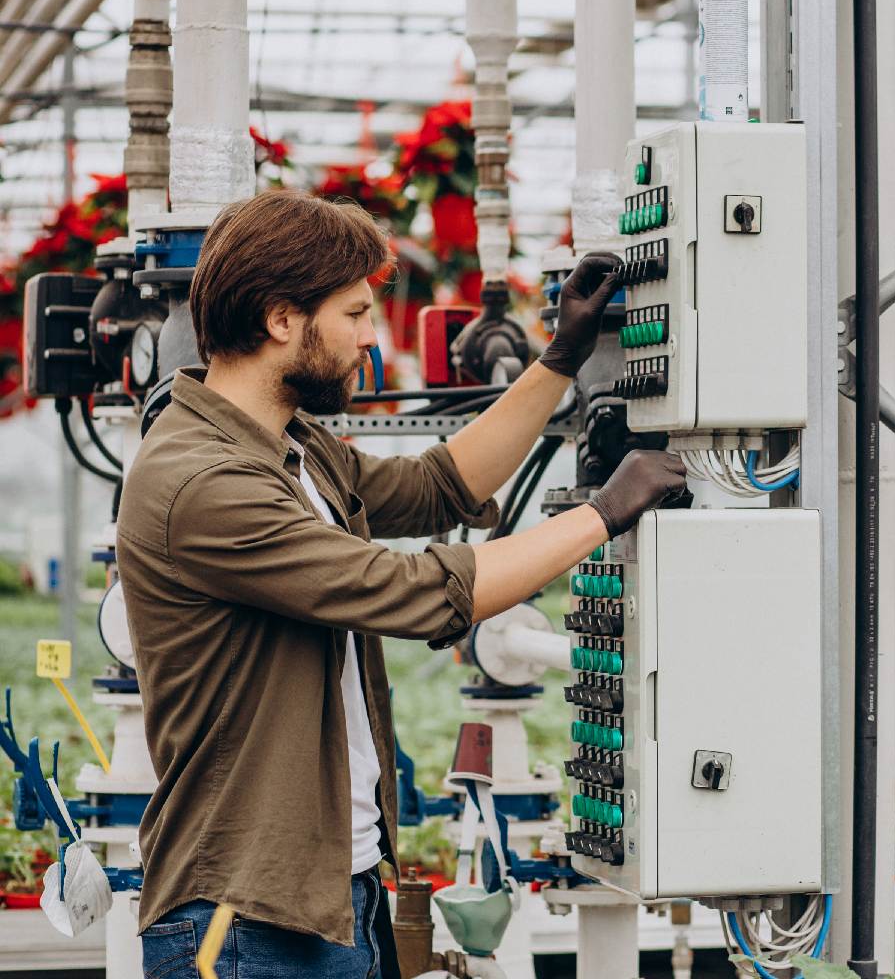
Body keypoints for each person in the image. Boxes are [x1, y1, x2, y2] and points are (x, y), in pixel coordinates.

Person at [116, 190, 686, 979]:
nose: (368, 337)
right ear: (282, 319)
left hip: (333, 895)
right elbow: (414, 590)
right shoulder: (203, 482)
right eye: (353, 314)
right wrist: (604, 512)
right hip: (243, 921)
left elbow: (438, 484)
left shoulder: (289, 446)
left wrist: (562, 358)